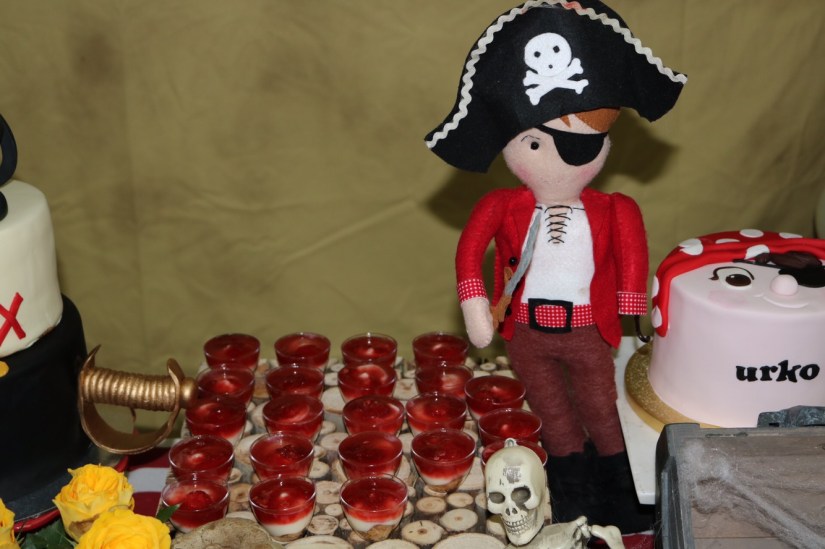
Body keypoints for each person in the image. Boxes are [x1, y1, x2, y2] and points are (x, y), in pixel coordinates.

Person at [424, 0, 686, 533]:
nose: (562, 159)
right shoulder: (501, 206)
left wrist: (632, 308)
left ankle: (620, 483)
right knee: (551, 411)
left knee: (601, 407)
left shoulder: (615, 209)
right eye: (537, 142)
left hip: (589, 329)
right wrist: (476, 306)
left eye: (580, 144)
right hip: (526, 331)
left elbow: (632, 259)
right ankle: (570, 484)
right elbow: (469, 252)